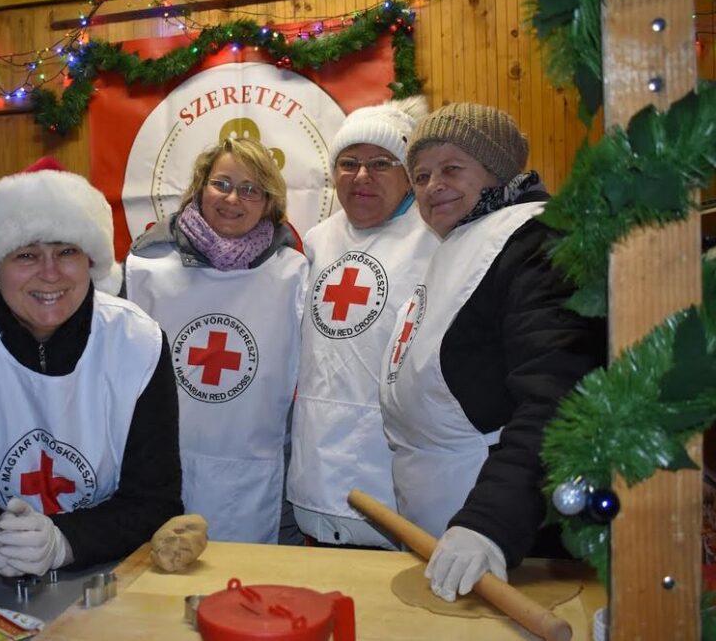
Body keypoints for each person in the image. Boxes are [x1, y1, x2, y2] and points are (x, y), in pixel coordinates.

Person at [0, 157, 183, 574]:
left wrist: (65, 543)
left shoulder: (137, 343)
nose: (50, 274)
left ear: (90, 261)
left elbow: (156, 501)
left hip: (109, 574)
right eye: (27, 255)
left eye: (66, 251)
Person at [380, 102, 605, 601]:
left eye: (452, 168)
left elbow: (559, 399)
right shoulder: (460, 247)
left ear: (500, 170)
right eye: (420, 175)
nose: (433, 185)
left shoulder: (537, 247)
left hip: (514, 543)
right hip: (441, 529)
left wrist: (490, 525)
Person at [124, 137, 308, 544]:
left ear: (269, 202)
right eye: (221, 183)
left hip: (260, 469)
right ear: (199, 186)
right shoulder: (146, 268)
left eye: (250, 190)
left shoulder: (293, 274)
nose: (232, 199)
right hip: (160, 465)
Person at [287, 97, 438, 548]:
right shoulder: (318, 240)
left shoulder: (433, 238)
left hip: (391, 473)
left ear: (409, 172)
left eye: (380, 163)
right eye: (348, 163)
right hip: (316, 468)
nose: (361, 177)